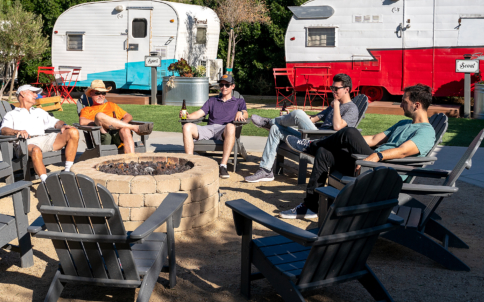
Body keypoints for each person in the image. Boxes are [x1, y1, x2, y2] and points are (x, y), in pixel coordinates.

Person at [280, 83, 437, 220]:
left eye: (404, 101)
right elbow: (375, 139)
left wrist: (376, 155)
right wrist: (344, 138)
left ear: (416, 105)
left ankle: (310, 146)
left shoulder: (427, 132)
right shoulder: (403, 123)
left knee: (350, 132)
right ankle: (310, 206)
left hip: (384, 172)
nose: (401, 104)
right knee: (324, 153)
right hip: (367, 163)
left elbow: (403, 151)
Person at [245, 73, 359, 183]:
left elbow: (337, 126)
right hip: (313, 136)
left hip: (324, 143)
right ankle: (266, 170)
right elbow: (313, 119)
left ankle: (268, 122)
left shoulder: (352, 109)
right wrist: (290, 117)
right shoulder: (333, 106)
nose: (333, 91)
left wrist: (337, 106)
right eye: (332, 87)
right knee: (276, 128)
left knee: (297, 114)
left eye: (336, 88)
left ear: (346, 89)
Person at [0, 84, 80, 183]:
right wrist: (17, 131)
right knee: (36, 150)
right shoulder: (12, 114)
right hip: (25, 143)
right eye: (33, 92)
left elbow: (55, 122)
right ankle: (46, 182)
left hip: (44, 139)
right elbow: (3, 130)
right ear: (22, 94)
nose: (36, 95)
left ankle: (67, 172)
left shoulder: (39, 111)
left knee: (73, 132)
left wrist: (63, 125)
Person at [181, 74, 248, 179]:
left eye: (227, 85)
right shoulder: (212, 100)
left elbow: (246, 113)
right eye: (221, 84)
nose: (224, 87)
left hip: (224, 130)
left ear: (233, 86)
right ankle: (191, 162)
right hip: (209, 129)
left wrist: (241, 113)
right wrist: (188, 116)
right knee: (187, 127)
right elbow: (199, 113)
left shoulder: (239, 101)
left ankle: (223, 165)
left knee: (231, 126)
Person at [77, 80, 153, 153]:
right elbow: (82, 121)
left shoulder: (111, 105)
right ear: (91, 93)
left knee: (126, 130)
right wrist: (103, 122)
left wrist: (119, 124)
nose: (101, 95)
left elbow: (128, 116)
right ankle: (134, 127)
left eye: (103, 93)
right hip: (104, 135)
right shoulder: (86, 110)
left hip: (117, 134)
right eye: (97, 93)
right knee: (99, 115)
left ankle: (130, 160)